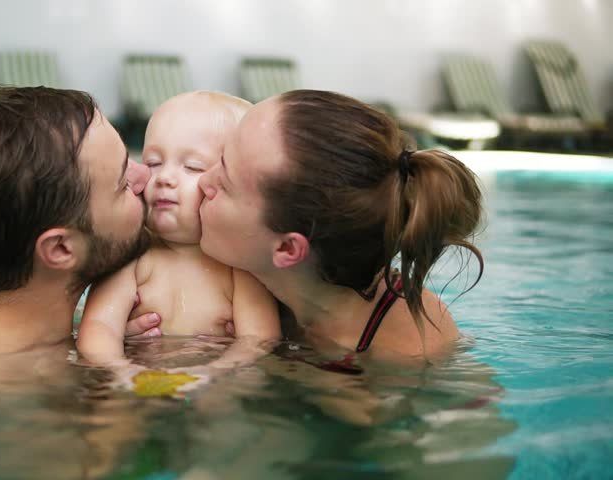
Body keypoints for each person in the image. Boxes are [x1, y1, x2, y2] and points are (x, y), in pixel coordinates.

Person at [198, 89, 483, 363]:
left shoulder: (412, 351)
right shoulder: (235, 276)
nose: (202, 182)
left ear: (287, 248)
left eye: (223, 184)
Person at [0, 86, 161, 373]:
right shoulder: (0, 389)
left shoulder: (39, 341)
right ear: (60, 249)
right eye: (123, 184)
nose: (147, 175)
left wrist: (106, 331)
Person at [77, 91, 280, 370]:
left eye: (192, 166)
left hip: (214, 385)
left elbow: (259, 338)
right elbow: (99, 328)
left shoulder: (238, 266)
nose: (165, 178)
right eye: (153, 163)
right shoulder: (134, 255)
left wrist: (213, 372)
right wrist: (121, 371)